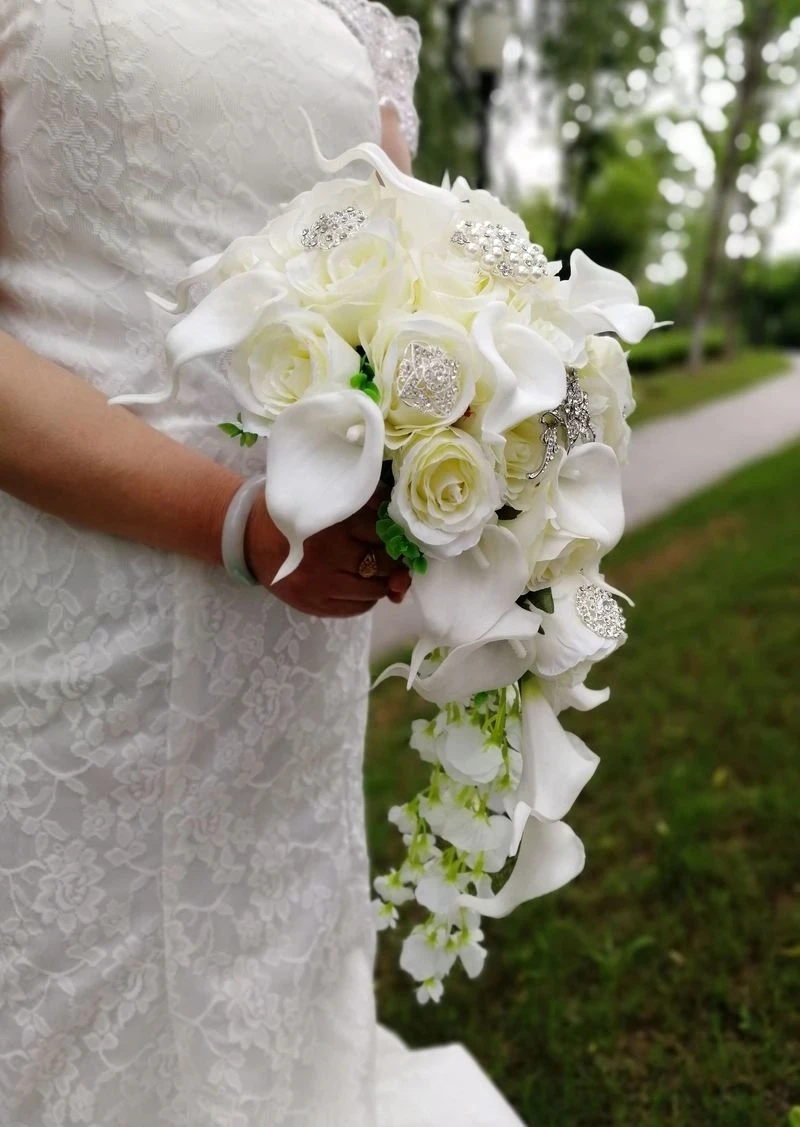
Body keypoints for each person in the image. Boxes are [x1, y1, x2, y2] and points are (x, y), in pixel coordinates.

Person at [0, 2, 524, 1123]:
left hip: (293, 640)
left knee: (267, 964)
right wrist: (239, 522)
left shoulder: (353, 19)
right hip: (75, 623)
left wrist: (458, 450)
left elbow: (405, 282)